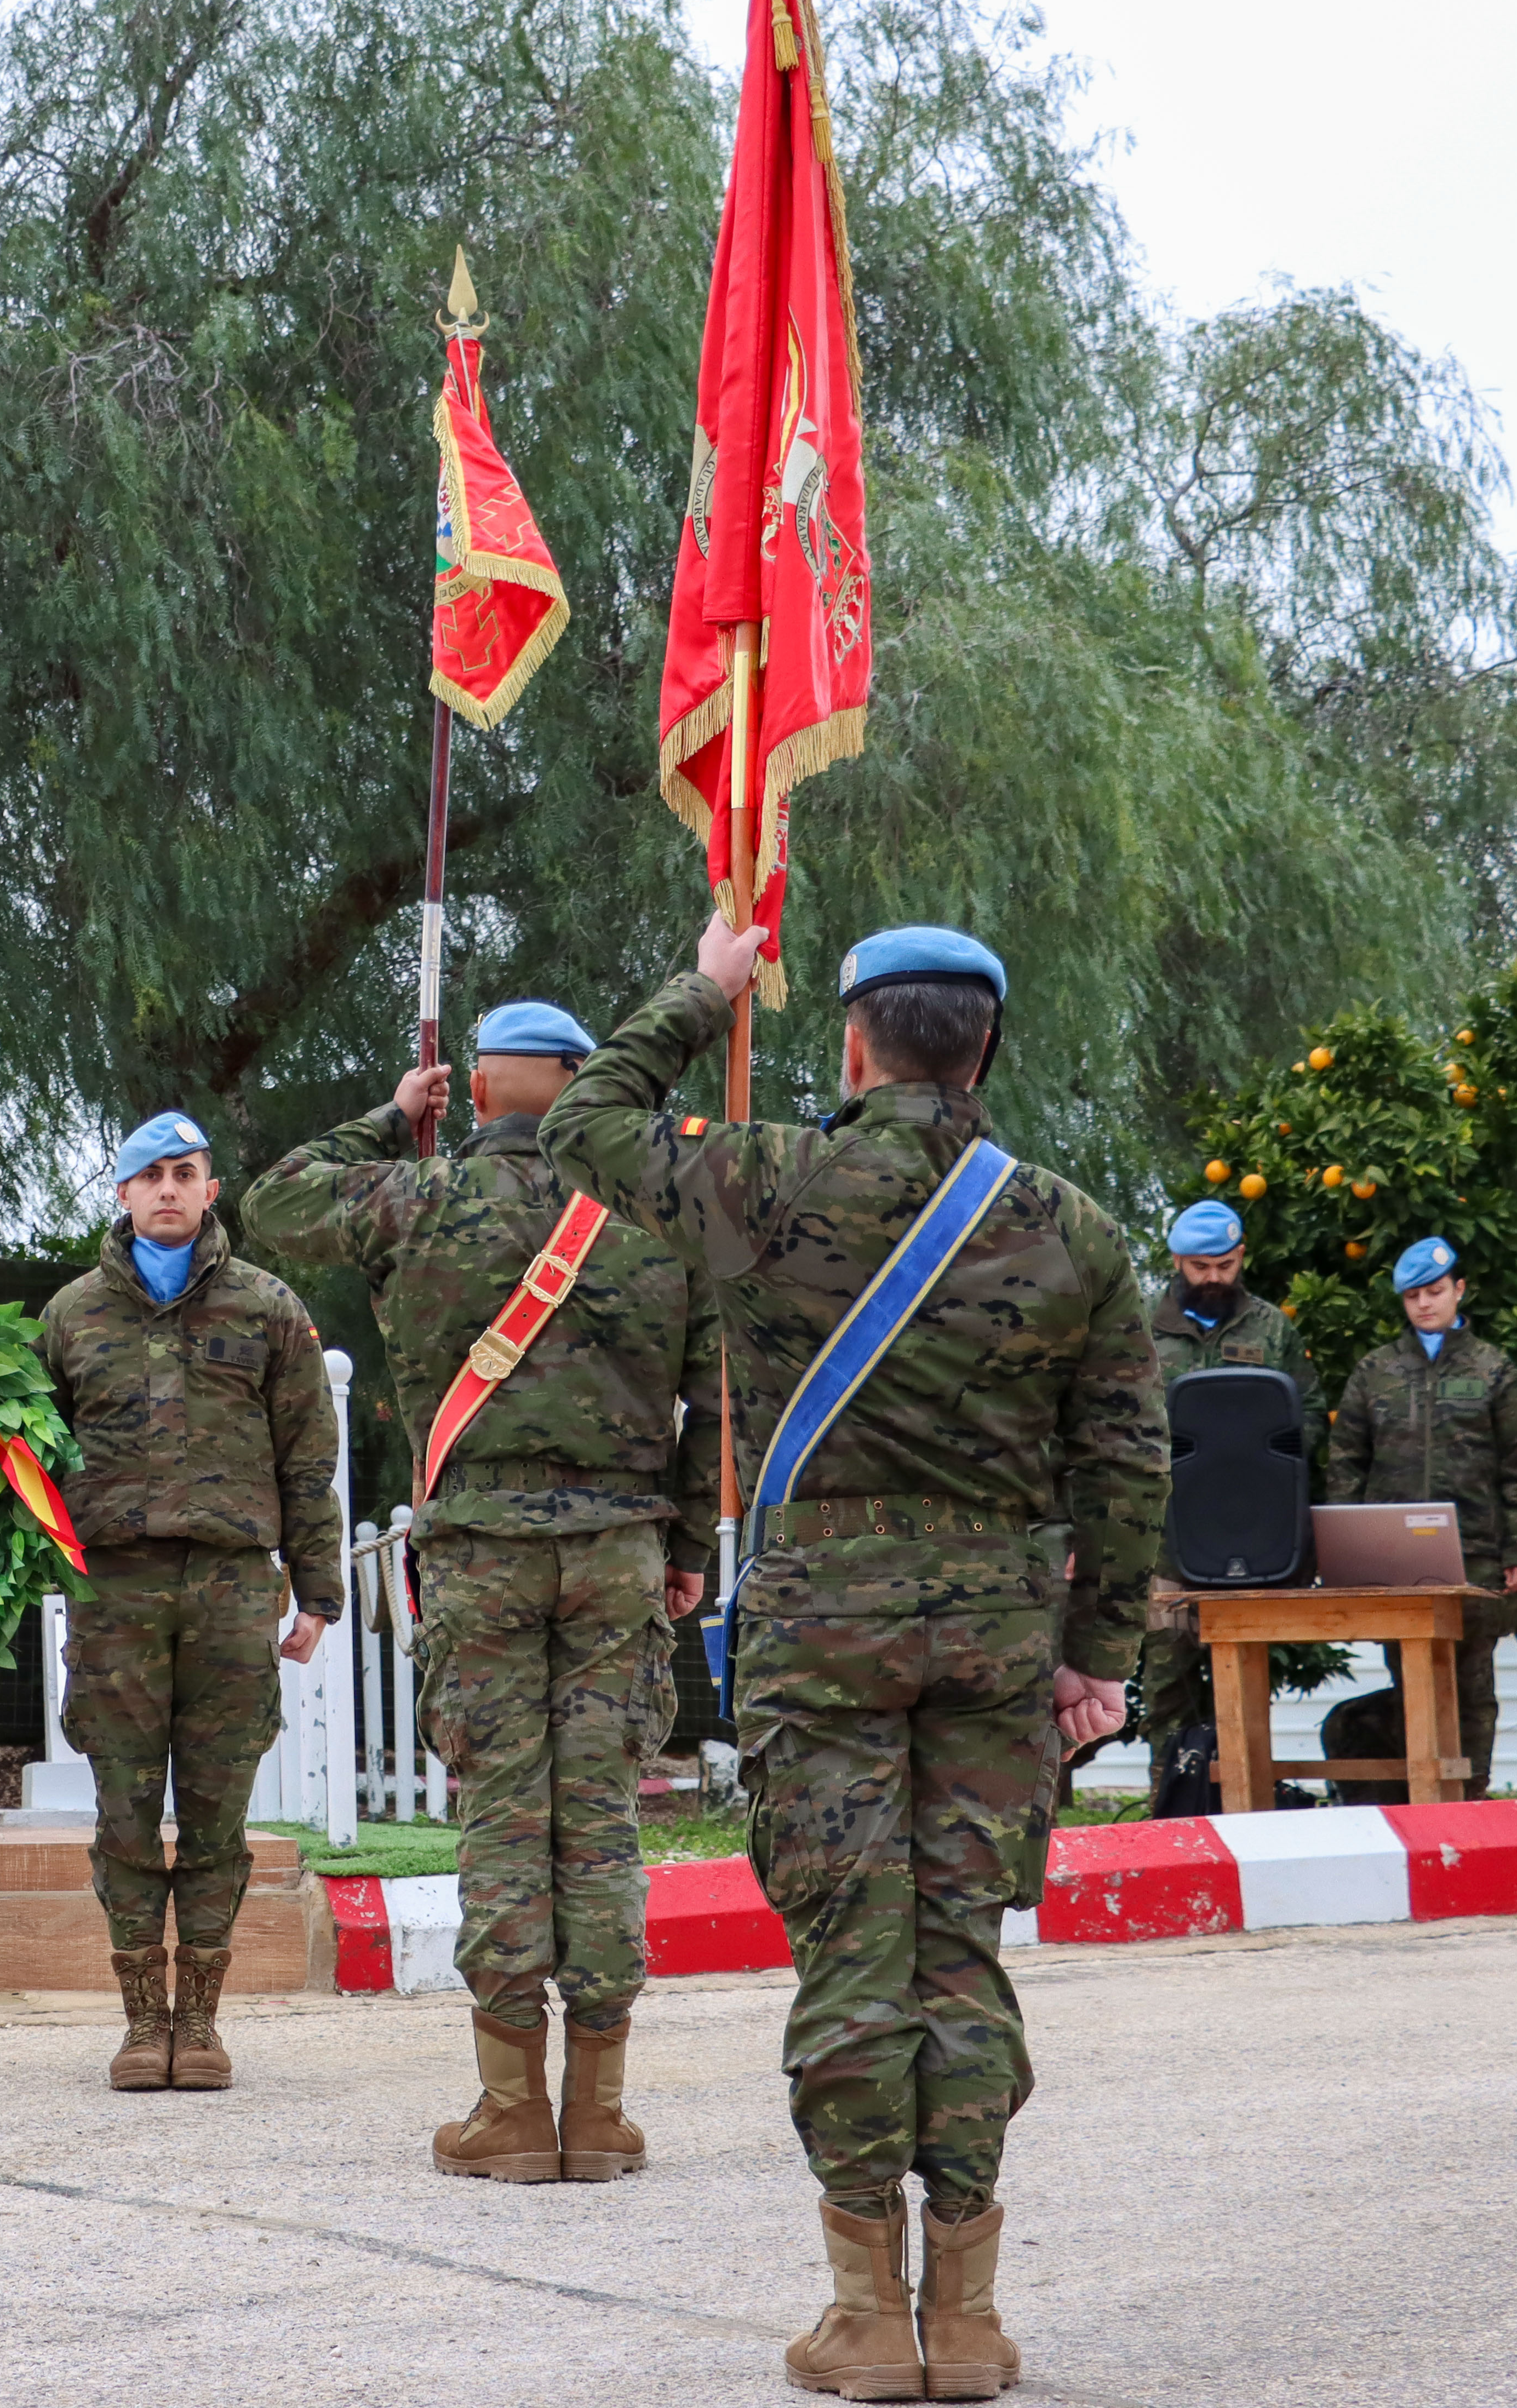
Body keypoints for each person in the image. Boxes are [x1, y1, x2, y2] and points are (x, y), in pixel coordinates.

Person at [540, 917, 1160, 2405]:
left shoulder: (766, 1181)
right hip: (995, 1637)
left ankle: (868, 2316)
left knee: (851, 1952)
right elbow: (1129, 1459)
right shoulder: (1072, 1226)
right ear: (986, 1045)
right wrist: (1098, 1653)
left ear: (855, 1044)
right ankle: (973, 2316)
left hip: (820, 1633)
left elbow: (581, 1122)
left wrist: (706, 986)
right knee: (959, 1952)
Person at [248, 1002, 718, 2182]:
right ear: (584, 1084)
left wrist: (390, 1117)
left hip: (481, 1547)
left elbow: (275, 1201)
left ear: (481, 1090)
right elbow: (715, 1393)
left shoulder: (419, 1196)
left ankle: (510, 2113)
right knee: (600, 1813)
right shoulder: (657, 1213)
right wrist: (686, 1539)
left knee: (504, 1810)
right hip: (620, 1544)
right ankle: (599, 2114)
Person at [0, 1112, 339, 2092]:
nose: (168, 1189)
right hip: (114, 1589)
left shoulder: (268, 1307)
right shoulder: (71, 1315)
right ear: (123, 1193)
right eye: (150, 1175)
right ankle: (142, 2023)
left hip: (231, 1588)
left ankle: (200, 2023)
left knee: (217, 1811)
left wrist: (318, 1592)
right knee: (124, 1811)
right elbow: (21, 1446)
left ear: (211, 1189)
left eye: (185, 1172)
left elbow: (308, 1458)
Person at [1325, 1237, 1517, 1801]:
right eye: (1413, 1296)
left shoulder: (1493, 1369)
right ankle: (1421, 1802)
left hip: (1475, 1553)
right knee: (1410, 1680)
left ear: (1459, 1290)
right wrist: (1348, 1548)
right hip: (1395, 1556)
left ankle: (1470, 1798)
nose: (1425, 1304)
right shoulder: (1376, 1371)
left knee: (1472, 1686)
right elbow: (1347, 1461)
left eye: (1435, 1292)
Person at [1140, 1199, 1320, 1792]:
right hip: (1166, 1541)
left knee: (1245, 1683)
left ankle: (1247, 1808)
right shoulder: (1141, 1329)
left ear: (1241, 1256)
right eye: (1200, 1267)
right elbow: (1108, 1420)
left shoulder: (1272, 1328)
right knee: (1167, 1682)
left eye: (1225, 1264)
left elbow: (1308, 1416)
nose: (1213, 1277)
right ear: (1176, 1261)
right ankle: (1171, 1808)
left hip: (1254, 1537)